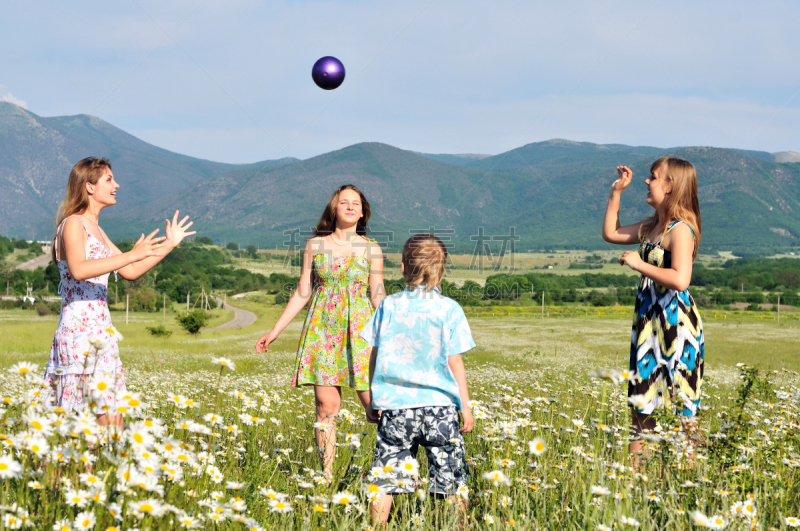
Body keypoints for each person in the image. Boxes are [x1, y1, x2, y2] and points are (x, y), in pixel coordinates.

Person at [43, 157, 196, 428]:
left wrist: (169, 244)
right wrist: (130, 255)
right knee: (75, 428)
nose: (117, 185)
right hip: (79, 334)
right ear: (89, 187)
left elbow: (131, 270)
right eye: (109, 180)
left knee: (111, 427)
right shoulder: (73, 224)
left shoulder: (97, 229)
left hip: (102, 333)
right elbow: (79, 269)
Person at [255, 184, 384, 480]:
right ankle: (326, 477)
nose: (350, 207)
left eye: (356, 203)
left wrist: (394, 330)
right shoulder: (315, 245)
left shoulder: (371, 248)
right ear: (333, 209)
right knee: (326, 406)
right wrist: (275, 330)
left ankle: (391, 472)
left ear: (363, 212)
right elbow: (303, 291)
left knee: (377, 406)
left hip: (361, 331)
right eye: (344, 202)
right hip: (322, 330)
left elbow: (377, 295)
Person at [360, 233, 475, 525]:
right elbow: (455, 361)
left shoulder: (387, 306)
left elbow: (374, 354)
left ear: (402, 267)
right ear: (442, 270)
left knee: (386, 478)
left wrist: (374, 396)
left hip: (395, 407)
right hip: (440, 408)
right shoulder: (450, 309)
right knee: (451, 477)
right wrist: (466, 405)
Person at [601, 157, 705, 460]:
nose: (647, 182)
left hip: (676, 328)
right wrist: (615, 192)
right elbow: (611, 233)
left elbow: (681, 279)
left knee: (683, 408)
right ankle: (634, 480)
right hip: (650, 327)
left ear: (671, 186)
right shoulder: (653, 225)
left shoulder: (681, 230)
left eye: (653, 177)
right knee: (642, 404)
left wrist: (640, 264)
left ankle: (689, 476)